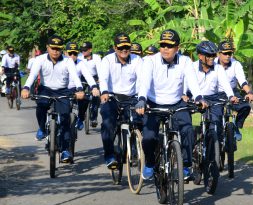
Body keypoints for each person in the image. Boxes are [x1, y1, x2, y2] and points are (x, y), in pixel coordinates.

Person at [135, 29, 207, 180]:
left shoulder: (185, 61)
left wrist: (199, 98)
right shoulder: (150, 60)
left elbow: (193, 83)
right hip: (153, 103)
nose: (165, 49)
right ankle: (149, 163)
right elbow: (144, 82)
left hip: (176, 103)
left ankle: (186, 165)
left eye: (169, 46)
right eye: (163, 45)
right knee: (148, 137)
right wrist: (141, 99)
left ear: (177, 48)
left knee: (187, 130)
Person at [21, 35, 85, 163]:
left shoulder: (68, 61)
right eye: (53, 48)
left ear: (62, 49)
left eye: (58, 48)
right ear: (47, 47)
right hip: (45, 89)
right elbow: (33, 75)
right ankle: (42, 129)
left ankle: (65, 150)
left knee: (66, 117)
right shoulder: (40, 59)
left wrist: (79, 89)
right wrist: (26, 88)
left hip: (62, 91)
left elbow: (75, 76)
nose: (55, 51)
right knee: (41, 108)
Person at [99, 33, 144, 169]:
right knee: (107, 123)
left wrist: (142, 98)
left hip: (131, 98)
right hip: (112, 97)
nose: (124, 50)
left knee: (140, 121)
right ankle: (109, 156)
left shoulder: (137, 60)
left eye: (127, 47)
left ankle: (136, 149)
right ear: (115, 48)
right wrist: (104, 92)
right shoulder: (107, 60)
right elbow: (103, 78)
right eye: (120, 47)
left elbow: (142, 80)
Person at [187, 41, 238, 151]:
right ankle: (194, 143)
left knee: (216, 125)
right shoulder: (192, 67)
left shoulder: (218, 68)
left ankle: (215, 150)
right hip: (195, 98)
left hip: (213, 98)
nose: (212, 58)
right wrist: (184, 95)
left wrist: (231, 96)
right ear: (200, 56)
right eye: (209, 55)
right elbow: (187, 84)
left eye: (213, 55)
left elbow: (225, 84)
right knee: (185, 125)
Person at [216, 40, 253, 141]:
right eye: (225, 53)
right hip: (216, 93)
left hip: (233, 92)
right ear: (219, 54)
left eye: (230, 53)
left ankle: (236, 126)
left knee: (246, 106)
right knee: (216, 117)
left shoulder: (236, 64)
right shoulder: (213, 64)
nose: (228, 56)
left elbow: (242, 81)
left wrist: (249, 93)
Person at [65, 42, 100, 130]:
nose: (72, 56)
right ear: (66, 53)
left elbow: (88, 75)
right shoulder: (61, 62)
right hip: (62, 89)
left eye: (75, 53)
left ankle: (82, 118)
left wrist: (94, 87)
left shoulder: (81, 63)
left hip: (78, 85)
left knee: (86, 99)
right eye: (70, 53)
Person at [79, 41, 102, 128]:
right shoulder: (79, 57)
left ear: (90, 50)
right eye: (82, 50)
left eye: (85, 50)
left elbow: (100, 70)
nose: (83, 52)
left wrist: (100, 79)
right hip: (82, 79)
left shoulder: (96, 58)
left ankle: (94, 118)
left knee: (95, 98)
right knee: (81, 97)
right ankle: (81, 114)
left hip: (94, 79)